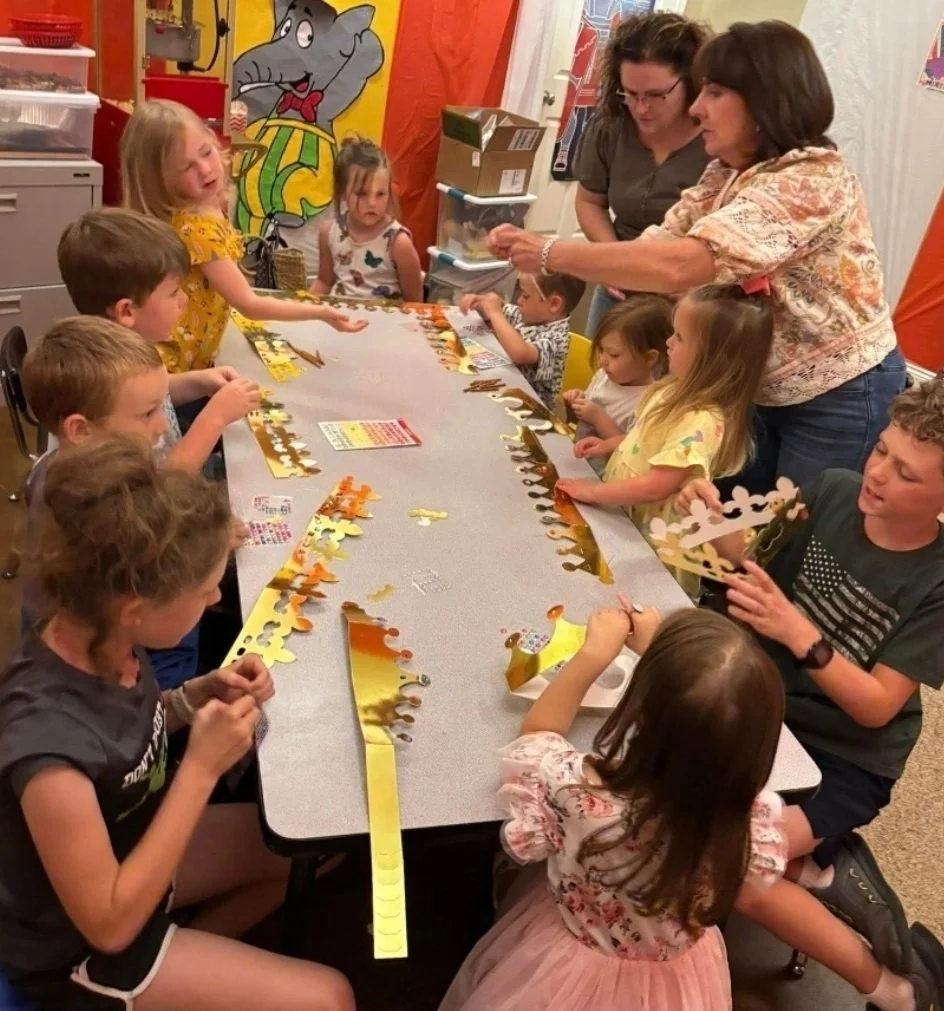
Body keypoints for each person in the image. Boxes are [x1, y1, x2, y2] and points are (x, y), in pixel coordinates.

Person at [0, 437, 354, 1011]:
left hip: (134, 844)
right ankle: (151, 981)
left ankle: (180, 964)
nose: (217, 598)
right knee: (330, 998)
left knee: (308, 846)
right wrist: (200, 768)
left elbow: (121, 736)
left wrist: (192, 698)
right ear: (135, 607)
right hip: (75, 949)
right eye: (203, 588)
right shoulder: (46, 750)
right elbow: (109, 927)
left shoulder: (98, 633)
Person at [491, 21, 907, 492]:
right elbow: (659, 247)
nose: (696, 108)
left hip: (836, 395)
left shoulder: (810, 178)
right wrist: (552, 255)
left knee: (791, 535)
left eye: (712, 92)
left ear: (764, 100)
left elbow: (682, 264)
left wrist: (549, 252)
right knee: (726, 520)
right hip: (757, 386)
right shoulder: (725, 173)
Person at [677, 380, 944, 1009]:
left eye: (905, 473)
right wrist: (716, 526)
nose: (877, 474)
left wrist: (800, 634)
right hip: (771, 712)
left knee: (730, 871)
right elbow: (756, 568)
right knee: (671, 797)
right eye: (880, 451)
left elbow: (877, 707)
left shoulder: (937, 579)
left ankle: (898, 989)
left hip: (846, 759)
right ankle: (815, 866)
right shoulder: (831, 490)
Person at [440, 605, 787, 1011]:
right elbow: (705, 718)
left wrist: (593, 655)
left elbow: (538, 733)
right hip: (679, 979)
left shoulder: (580, 797)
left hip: (566, 966)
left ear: (640, 710)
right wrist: (662, 655)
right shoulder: (746, 816)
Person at [19, 317, 208, 690]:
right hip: (99, 673)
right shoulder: (90, 504)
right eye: (148, 413)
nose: (163, 427)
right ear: (81, 429)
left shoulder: (75, 466)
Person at [120, 99, 368, 375]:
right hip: (178, 371)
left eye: (206, 152)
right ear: (161, 180)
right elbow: (250, 305)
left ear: (214, 141)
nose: (205, 169)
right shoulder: (196, 230)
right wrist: (321, 312)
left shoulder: (209, 204)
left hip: (198, 360)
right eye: (187, 167)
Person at [559, 282, 773, 595]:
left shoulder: (701, 419)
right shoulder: (667, 389)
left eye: (680, 338)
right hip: (626, 520)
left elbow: (657, 485)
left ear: (712, 358)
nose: (669, 342)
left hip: (655, 547)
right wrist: (610, 445)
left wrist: (594, 491)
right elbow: (644, 441)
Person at [57, 207, 261, 475]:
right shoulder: (111, 380)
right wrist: (216, 417)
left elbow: (149, 396)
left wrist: (197, 381)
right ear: (127, 311)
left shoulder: (128, 355)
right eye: (174, 293)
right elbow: (163, 483)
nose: (184, 301)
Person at [573, 11, 709, 335]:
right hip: (621, 283)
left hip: (687, 295)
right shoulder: (610, 125)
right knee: (603, 379)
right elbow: (589, 202)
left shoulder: (717, 137)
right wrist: (613, 261)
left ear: (690, 82)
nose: (641, 108)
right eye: (630, 94)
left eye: (655, 95)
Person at [563, 295, 672, 475]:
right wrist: (575, 403)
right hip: (576, 463)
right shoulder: (605, 375)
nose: (603, 360)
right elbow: (578, 424)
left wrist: (598, 418)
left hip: (603, 479)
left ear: (649, 358)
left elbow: (630, 451)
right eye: (602, 350)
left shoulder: (649, 401)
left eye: (613, 355)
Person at [310, 135, 423, 303]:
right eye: (362, 193)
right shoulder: (329, 233)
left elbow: (415, 304)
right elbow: (324, 281)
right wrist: (302, 309)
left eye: (380, 194)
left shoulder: (399, 243)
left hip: (385, 326)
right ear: (342, 191)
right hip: (338, 321)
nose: (372, 203)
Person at [459, 273, 586, 407]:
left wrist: (495, 313)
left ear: (554, 303)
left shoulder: (556, 339)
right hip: (504, 391)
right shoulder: (529, 315)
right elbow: (502, 310)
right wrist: (481, 302)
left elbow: (520, 353)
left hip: (531, 410)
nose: (519, 300)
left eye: (525, 296)